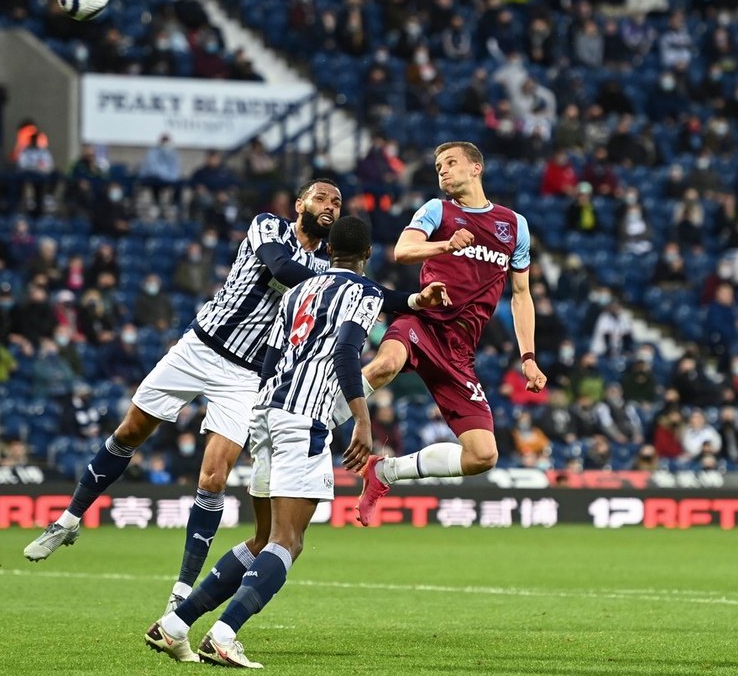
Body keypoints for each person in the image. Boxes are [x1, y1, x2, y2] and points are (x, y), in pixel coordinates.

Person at [22, 179, 447, 615]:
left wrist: (414, 299)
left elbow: (369, 296)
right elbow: (282, 269)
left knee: (213, 478)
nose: (330, 206)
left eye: (337, 202)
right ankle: (68, 520)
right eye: (321, 197)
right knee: (130, 431)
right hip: (200, 346)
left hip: (245, 376)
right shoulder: (269, 228)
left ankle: (182, 591)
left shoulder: (329, 267)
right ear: (299, 203)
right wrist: (345, 282)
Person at [145, 216, 389, 667]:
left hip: (265, 413)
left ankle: (175, 624)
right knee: (287, 541)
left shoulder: (297, 290)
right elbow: (345, 352)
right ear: (369, 255)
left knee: (261, 539)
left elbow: (272, 353)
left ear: (328, 250)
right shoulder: (365, 292)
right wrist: (361, 418)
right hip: (305, 419)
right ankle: (223, 633)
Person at [332, 141, 547, 525]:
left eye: (450, 163)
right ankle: (317, 419)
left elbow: (521, 295)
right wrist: (446, 244)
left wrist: (528, 358)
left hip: (459, 352)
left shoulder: (514, 226)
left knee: (483, 455)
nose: (442, 171)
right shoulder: (438, 210)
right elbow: (403, 249)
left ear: (476, 168)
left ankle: (385, 472)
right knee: (386, 364)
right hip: (423, 322)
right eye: (437, 166)